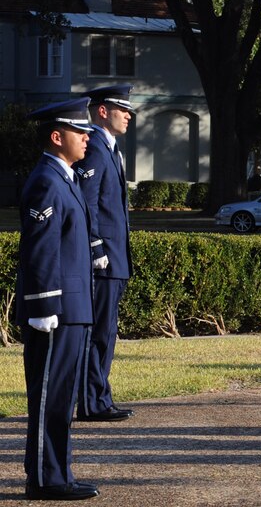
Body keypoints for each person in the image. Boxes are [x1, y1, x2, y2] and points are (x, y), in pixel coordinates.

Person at [16, 98, 101, 500]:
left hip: (74, 309)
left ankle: (55, 474)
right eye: (79, 131)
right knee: (50, 398)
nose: (87, 137)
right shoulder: (47, 181)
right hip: (56, 311)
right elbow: (40, 249)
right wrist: (43, 305)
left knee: (62, 398)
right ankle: (46, 480)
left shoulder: (65, 178)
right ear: (56, 136)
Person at [73, 85, 135, 423]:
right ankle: (92, 402)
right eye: (120, 108)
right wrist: (96, 248)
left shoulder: (108, 149)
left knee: (106, 332)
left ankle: (99, 398)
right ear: (102, 111)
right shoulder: (96, 146)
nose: (128, 115)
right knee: (99, 332)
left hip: (115, 260)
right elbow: (88, 202)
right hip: (104, 260)